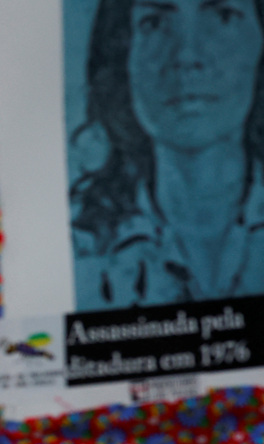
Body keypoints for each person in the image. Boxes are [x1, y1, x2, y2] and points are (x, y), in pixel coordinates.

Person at [70, 0, 264, 309]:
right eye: (154, 23)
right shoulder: (76, 246)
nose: (186, 56)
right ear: (123, 53)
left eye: (223, 16)